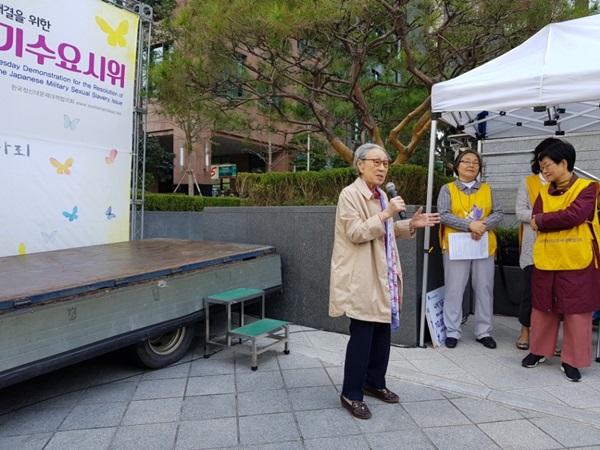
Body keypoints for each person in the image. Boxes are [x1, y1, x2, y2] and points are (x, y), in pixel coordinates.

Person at [329, 143, 440, 419]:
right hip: (362, 274)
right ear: (360, 164)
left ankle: (374, 382)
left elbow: (385, 230)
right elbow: (355, 232)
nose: (382, 168)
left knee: (381, 333)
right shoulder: (350, 194)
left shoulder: (380, 195)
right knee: (363, 333)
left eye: (386, 163)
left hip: (384, 272)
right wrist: (387, 213)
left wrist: (410, 225)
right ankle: (350, 393)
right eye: (376, 162)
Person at [521, 140, 600, 382]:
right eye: (541, 167)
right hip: (547, 258)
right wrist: (546, 219)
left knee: (577, 311)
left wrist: (545, 221)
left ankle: (572, 360)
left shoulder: (588, 187)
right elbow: (535, 217)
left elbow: (575, 215)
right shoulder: (544, 191)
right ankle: (539, 350)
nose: (544, 171)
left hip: (578, 259)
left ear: (563, 163)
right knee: (543, 306)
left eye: (547, 165)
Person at [437, 150, 504, 349]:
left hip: (483, 245)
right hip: (455, 245)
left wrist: (481, 225)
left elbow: (499, 212)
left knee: (484, 288)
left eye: (475, 162)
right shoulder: (447, 189)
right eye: (466, 161)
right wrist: (469, 225)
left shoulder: (487, 189)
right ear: (457, 166)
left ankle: (483, 331)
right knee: (454, 288)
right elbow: (443, 214)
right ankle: (452, 331)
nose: (471, 165)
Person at [515, 138, 562, 350]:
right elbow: (520, 212)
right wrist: (545, 217)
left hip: (559, 248)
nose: (547, 163)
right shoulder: (529, 183)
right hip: (532, 246)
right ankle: (525, 331)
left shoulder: (564, 184)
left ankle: (549, 338)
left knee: (556, 295)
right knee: (530, 291)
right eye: (544, 158)